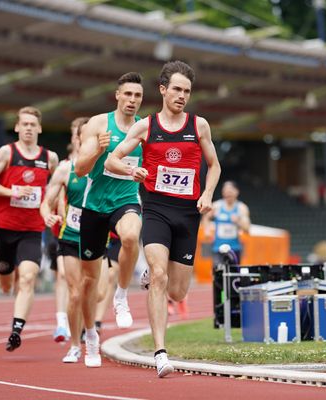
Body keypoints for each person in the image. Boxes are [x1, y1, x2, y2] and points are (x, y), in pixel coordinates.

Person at [105, 60, 221, 378]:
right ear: (163, 89)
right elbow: (112, 159)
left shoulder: (199, 126)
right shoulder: (145, 126)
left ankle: (155, 282)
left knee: (179, 291)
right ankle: (160, 352)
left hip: (187, 213)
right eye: (177, 89)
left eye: (187, 91)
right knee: (158, 275)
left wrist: (208, 194)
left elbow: (215, 166)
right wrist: (133, 169)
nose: (182, 95)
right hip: (156, 209)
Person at [74, 72, 144, 368]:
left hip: (127, 199)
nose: (132, 100)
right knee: (89, 282)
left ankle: (122, 295)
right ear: (117, 95)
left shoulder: (145, 128)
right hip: (94, 205)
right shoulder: (98, 124)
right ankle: (91, 337)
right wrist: (99, 150)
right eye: (127, 94)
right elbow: (79, 169)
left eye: (137, 96)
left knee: (130, 237)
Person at [0, 106, 59, 351]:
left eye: (32, 124)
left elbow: (58, 188)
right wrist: (13, 191)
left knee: (28, 278)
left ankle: (16, 330)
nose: (28, 128)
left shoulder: (50, 158)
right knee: (6, 284)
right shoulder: (7, 153)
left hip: (32, 229)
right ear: (17, 127)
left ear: (38, 128)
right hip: (5, 227)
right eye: (24, 124)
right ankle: (6, 274)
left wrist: (54, 210)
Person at [40, 116, 89, 362]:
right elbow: (46, 202)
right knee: (75, 291)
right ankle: (75, 344)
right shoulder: (64, 168)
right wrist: (48, 214)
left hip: (96, 237)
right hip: (69, 235)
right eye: (79, 135)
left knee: (93, 292)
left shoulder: (107, 165)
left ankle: (91, 334)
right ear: (77, 139)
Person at [204, 180, 251, 264]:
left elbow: (247, 229)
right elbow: (206, 218)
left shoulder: (241, 208)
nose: (228, 194)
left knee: (234, 275)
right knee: (219, 274)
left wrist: (238, 221)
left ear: (236, 192)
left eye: (230, 191)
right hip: (218, 248)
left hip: (234, 248)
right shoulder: (216, 206)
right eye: (225, 191)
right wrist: (207, 231)